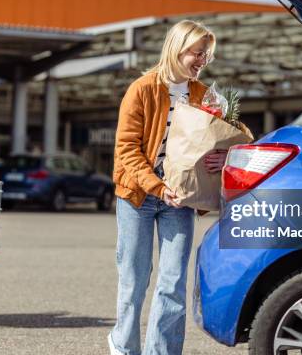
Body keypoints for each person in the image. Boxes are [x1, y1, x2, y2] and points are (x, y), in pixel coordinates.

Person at [108, 20, 226, 355]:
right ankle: (123, 347)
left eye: (207, 55)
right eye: (197, 52)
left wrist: (223, 153)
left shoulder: (203, 95)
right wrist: (158, 188)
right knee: (135, 280)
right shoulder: (142, 89)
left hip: (181, 199)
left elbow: (227, 131)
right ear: (178, 48)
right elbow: (127, 150)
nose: (202, 60)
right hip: (139, 196)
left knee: (173, 283)